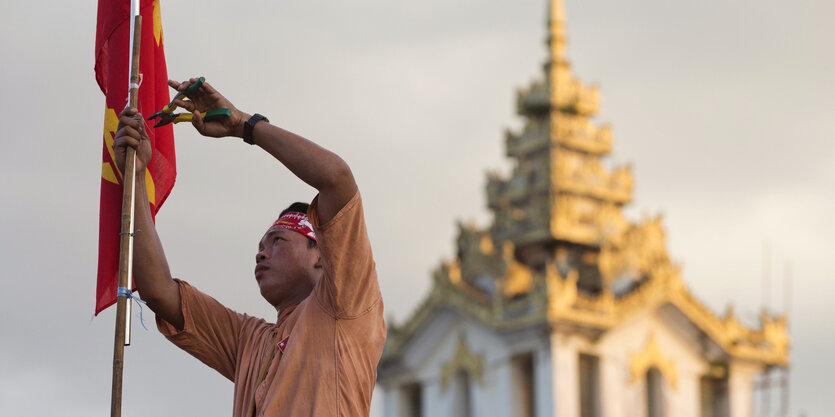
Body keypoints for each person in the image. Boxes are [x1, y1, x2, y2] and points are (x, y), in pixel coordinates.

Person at [113, 78, 385, 417]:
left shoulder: (346, 304)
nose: (260, 253)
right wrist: (136, 179)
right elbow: (159, 293)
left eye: (278, 242)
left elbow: (337, 178)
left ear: (321, 257)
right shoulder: (249, 340)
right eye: (260, 245)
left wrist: (245, 125)